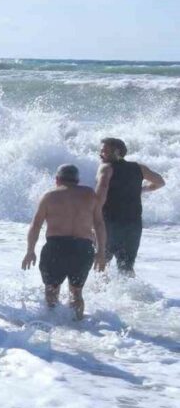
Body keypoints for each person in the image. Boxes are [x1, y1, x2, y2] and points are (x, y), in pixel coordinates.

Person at [22, 164, 107, 320]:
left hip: (56, 248)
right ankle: (78, 328)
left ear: (57, 179)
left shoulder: (49, 196)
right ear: (77, 180)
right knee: (76, 293)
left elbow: (35, 225)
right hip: (83, 248)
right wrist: (101, 252)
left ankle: (54, 325)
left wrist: (30, 251)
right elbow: (100, 224)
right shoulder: (90, 194)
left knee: (51, 291)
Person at [95, 137, 166, 276]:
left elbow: (100, 195)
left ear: (116, 151)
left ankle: (98, 296)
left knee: (101, 264)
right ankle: (130, 296)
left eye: (104, 151)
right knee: (127, 267)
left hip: (109, 223)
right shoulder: (139, 168)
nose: (100, 154)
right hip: (133, 224)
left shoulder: (106, 168)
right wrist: (142, 189)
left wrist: (92, 220)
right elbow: (160, 182)